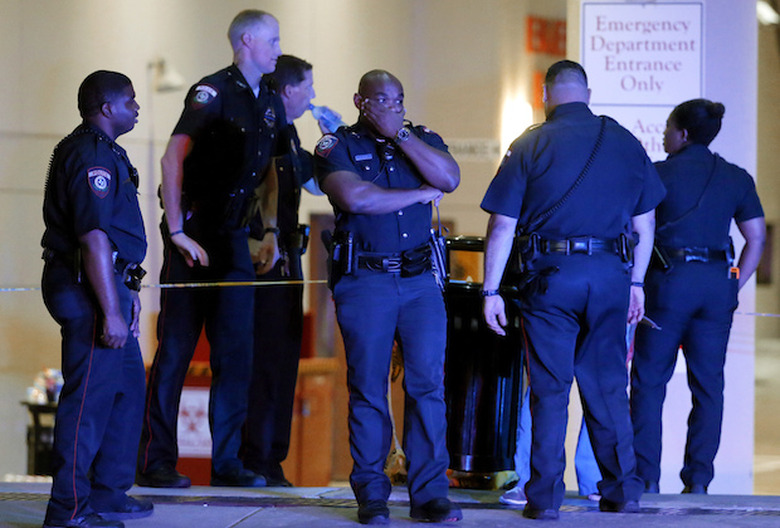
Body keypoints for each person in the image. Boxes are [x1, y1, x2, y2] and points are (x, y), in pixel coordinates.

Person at [481, 60, 665, 520]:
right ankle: (623, 492)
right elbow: (645, 223)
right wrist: (637, 283)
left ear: (545, 95)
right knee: (608, 388)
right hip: (610, 277)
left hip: (550, 278)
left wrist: (491, 290)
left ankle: (545, 499)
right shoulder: (624, 141)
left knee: (550, 390)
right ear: (588, 93)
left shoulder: (530, 143)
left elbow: (502, 224)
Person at [137, 9, 286, 488]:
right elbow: (172, 158)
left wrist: (269, 231)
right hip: (195, 231)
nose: (278, 49)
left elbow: (271, 171)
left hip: (235, 238)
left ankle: (227, 464)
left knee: (235, 354)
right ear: (247, 41)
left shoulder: (269, 99)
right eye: (272, 40)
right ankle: (157, 461)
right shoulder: (212, 91)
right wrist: (177, 231)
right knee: (176, 349)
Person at [314, 70, 462, 524]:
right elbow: (356, 198)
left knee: (428, 387)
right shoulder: (336, 146)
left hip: (420, 284)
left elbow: (449, 178)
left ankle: (430, 495)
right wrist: (418, 195)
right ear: (360, 101)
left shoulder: (420, 138)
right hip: (366, 282)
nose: (392, 107)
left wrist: (401, 135)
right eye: (382, 100)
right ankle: (372, 494)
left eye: (398, 99)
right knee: (368, 387)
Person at [630, 99, 766, 495]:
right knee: (708, 387)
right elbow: (756, 238)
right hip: (716, 286)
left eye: (668, 128)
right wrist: (734, 283)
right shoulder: (736, 177)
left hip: (667, 285)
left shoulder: (656, 174)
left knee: (649, 382)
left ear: (684, 134)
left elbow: (637, 230)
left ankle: (646, 479)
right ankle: (699, 482)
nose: (663, 135)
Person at [41, 70, 152, 528]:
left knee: (126, 388)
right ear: (107, 108)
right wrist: (110, 310)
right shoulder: (91, 155)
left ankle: (108, 492)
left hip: (109, 285)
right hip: (86, 289)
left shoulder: (106, 150)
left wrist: (127, 293)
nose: (137, 107)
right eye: (130, 100)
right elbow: (93, 238)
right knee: (87, 400)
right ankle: (66, 511)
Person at [240, 54, 330, 487]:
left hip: (289, 265)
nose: (312, 96)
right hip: (262, 266)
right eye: (308, 87)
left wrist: (333, 139)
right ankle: (254, 459)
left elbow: (318, 181)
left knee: (283, 363)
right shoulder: (261, 130)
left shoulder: (288, 134)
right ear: (289, 89)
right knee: (263, 365)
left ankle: (271, 459)